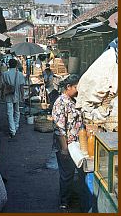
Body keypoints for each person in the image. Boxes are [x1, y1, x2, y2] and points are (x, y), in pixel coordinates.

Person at [52, 74, 82, 212]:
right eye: (76, 87)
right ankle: (63, 203)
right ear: (68, 87)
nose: (78, 89)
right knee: (67, 174)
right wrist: (64, 148)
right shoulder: (60, 102)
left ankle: (69, 198)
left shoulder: (72, 100)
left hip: (74, 144)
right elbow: (59, 129)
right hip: (66, 145)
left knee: (70, 173)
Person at [2, 59, 25, 138]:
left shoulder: (5, 74)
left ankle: (12, 130)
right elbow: (22, 87)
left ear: (9, 64)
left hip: (8, 95)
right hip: (17, 95)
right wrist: (23, 96)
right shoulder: (20, 74)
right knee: (17, 111)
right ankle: (16, 126)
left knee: (9, 113)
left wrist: (2, 95)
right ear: (16, 65)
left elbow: (3, 86)